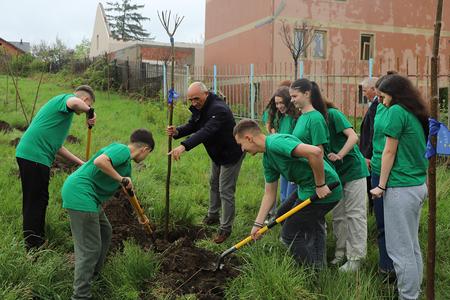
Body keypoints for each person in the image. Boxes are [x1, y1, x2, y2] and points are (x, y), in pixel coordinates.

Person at [233, 119, 342, 268]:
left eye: (240, 145)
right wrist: (257, 225)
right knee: (282, 215)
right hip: (306, 188)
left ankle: (313, 271)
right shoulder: (267, 159)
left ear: (248, 138)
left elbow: (315, 152)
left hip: (326, 190)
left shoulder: (275, 143)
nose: (242, 149)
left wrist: (321, 184)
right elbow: (269, 194)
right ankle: (314, 250)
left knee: (289, 234)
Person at [62, 129, 154, 300]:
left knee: (105, 232)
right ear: (145, 150)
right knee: (90, 248)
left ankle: (92, 275)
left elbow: (129, 191)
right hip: (81, 194)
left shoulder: (126, 165)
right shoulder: (122, 150)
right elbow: (99, 161)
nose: (145, 158)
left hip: (89, 198)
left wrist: (142, 216)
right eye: (148, 155)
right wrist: (120, 179)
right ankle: (80, 295)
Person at [16, 85, 97, 251]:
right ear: (85, 100)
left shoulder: (62, 115)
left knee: (38, 199)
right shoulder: (65, 99)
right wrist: (90, 111)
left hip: (33, 156)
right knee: (36, 201)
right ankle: (33, 247)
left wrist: (81, 163)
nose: (83, 112)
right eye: (86, 105)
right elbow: (74, 102)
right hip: (34, 156)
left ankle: (36, 240)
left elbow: (58, 148)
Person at [371, 75, 429, 300]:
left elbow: (389, 152)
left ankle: (408, 296)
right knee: (412, 246)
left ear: (394, 95)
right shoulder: (414, 112)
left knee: (399, 249)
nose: (382, 103)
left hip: (400, 188)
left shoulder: (396, 111)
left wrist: (381, 186)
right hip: (415, 186)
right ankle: (413, 292)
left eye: (383, 97)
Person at [167, 82, 244, 244]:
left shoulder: (218, 109)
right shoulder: (200, 108)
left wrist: (184, 146)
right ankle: (212, 216)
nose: (194, 103)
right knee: (213, 183)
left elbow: (206, 131)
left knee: (225, 190)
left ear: (206, 94)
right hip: (217, 154)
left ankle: (225, 229)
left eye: (196, 98)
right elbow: (193, 125)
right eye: (190, 100)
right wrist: (178, 131)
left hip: (231, 154)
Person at [326, 101, 369, 271]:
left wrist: (339, 154)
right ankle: (340, 252)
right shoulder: (308, 118)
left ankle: (355, 257)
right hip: (335, 174)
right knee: (338, 215)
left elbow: (353, 136)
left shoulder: (332, 114)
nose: (293, 101)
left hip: (353, 170)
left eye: (295, 96)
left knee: (355, 214)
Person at [369, 75, 396, 278]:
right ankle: (385, 266)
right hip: (376, 168)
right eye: (377, 96)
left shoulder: (399, 112)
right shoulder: (378, 108)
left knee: (395, 223)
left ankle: (398, 267)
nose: (379, 100)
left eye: (382, 96)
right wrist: (368, 157)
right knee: (381, 222)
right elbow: (372, 135)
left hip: (393, 173)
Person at [290, 79, 331, 158]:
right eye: (291, 97)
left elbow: (319, 153)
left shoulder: (315, 119)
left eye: (294, 96)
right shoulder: (302, 116)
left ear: (306, 94)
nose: (292, 100)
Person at [271, 86, 298, 204]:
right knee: (283, 198)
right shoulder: (281, 118)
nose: (279, 106)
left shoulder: (295, 119)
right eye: (277, 103)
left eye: (281, 102)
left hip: (293, 164)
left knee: (290, 199)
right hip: (283, 164)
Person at [359, 77, 379, 213]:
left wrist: (367, 155)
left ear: (373, 89)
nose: (364, 94)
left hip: (370, 155)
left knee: (370, 184)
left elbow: (373, 132)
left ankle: (373, 210)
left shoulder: (377, 106)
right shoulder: (374, 104)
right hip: (367, 152)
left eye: (365, 90)